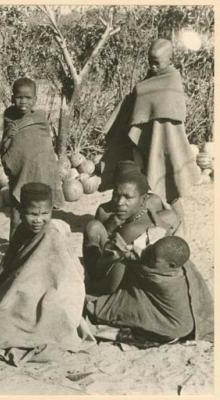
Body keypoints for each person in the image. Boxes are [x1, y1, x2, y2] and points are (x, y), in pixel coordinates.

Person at [0, 183, 94, 364]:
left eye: (44, 214)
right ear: (20, 211)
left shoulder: (51, 235)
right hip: (14, 297)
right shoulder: (21, 232)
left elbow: (67, 282)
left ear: (51, 211)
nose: (38, 220)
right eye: (32, 214)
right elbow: (0, 274)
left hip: (47, 304)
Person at [100, 39, 200, 234]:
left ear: (170, 59)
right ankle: (145, 225)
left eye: (157, 62)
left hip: (165, 142)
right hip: (145, 139)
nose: (153, 66)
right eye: (150, 61)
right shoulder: (150, 78)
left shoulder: (172, 79)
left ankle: (180, 228)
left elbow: (171, 110)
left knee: (169, 188)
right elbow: (138, 101)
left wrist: (141, 92)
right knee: (145, 186)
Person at [85, 236, 213, 343]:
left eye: (153, 258)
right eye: (150, 249)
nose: (147, 255)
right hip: (184, 325)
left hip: (169, 328)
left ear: (171, 265)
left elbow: (125, 265)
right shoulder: (181, 264)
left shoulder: (156, 278)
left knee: (98, 307)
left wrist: (122, 251)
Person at [83, 161, 180, 294]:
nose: (120, 202)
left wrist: (151, 219)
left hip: (137, 257)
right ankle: (94, 279)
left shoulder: (153, 202)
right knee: (92, 227)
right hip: (111, 257)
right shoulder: (105, 211)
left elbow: (164, 227)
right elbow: (103, 244)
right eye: (116, 194)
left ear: (143, 197)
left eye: (128, 197)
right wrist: (111, 226)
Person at [0, 77, 63, 239]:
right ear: (13, 97)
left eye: (28, 98)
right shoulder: (9, 116)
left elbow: (45, 148)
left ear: (35, 99)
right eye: (19, 97)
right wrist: (8, 135)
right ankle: (13, 252)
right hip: (21, 173)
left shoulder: (40, 118)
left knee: (41, 216)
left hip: (42, 173)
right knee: (16, 216)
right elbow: (6, 145)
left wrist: (53, 169)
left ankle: (40, 246)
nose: (23, 101)